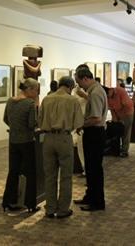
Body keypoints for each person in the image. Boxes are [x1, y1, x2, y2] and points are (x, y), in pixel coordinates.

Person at [38, 76, 84, 219]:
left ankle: (50, 209)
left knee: (49, 175)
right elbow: (78, 123)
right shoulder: (72, 100)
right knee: (65, 175)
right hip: (64, 138)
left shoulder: (47, 99)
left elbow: (39, 121)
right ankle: (63, 209)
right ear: (70, 88)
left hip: (48, 138)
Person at [1, 78, 39, 213]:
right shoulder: (29, 103)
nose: (37, 93)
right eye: (36, 90)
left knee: (13, 171)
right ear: (29, 89)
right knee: (30, 172)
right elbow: (31, 124)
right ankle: (30, 203)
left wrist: (15, 128)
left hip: (13, 140)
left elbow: (5, 118)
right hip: (27, 141)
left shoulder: (11, 101)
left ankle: (8, 200)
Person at [73, 65, 108, 212]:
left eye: (79, 82)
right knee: (91, 167)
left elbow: (96, 118)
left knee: (94, 169)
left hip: (94, 133)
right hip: (95, 133)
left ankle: (97, 202)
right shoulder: (96, 90)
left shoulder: (94, 93)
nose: (79, 86)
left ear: (85, 78)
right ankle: (90, 196)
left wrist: (81, 125)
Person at [103, 85, 134, 157]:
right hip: (117, 113)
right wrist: (116, 121)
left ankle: (124, 150)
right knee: (117, 130)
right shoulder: (107, 97)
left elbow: (126, 106)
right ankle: (116, 149)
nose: (108, 96)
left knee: (126, 131)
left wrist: (122, 120)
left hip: (127, 113)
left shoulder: (120, 91)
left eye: (108, 94)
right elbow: (112, 110)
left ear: (110, 90)